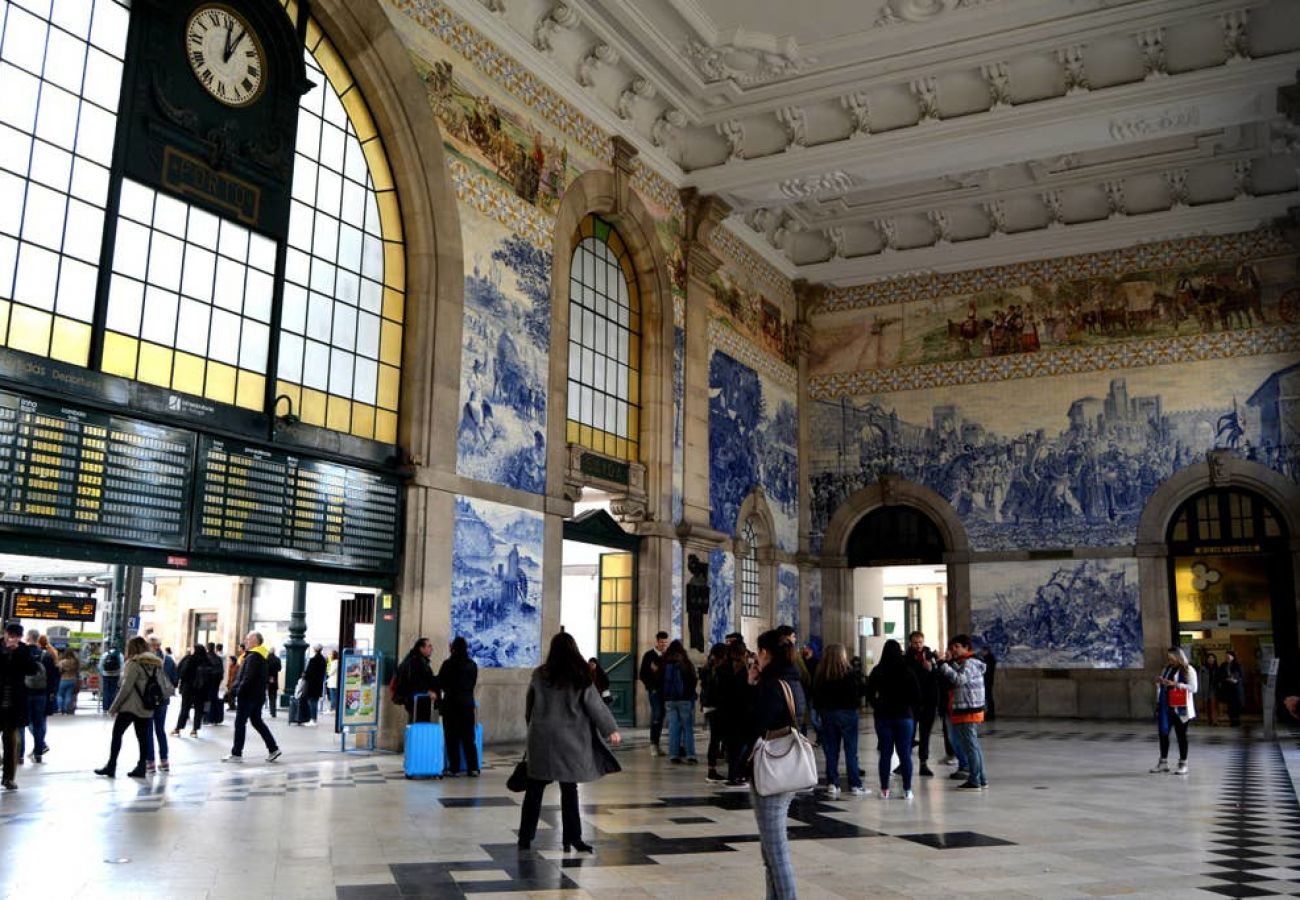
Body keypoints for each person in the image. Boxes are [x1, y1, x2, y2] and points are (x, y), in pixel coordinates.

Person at [517, 632, 622, 852]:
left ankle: (525, 838)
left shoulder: (540, 674)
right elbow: (595, 706)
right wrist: (611, 730)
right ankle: (572, 838)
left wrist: (534, 727)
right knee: (569, 788)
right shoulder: (581, 675)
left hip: (542, 738)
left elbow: (530, 707)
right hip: (571, 740)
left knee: (535, 789)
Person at [745, 629, 805, 899]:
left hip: (772, 772)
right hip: (783, 768)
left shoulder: (772, 685)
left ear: (766, 653)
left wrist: (751, 688)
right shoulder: (793, 681)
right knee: (770, 854)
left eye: (759, 652)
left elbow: (753, 724)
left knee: (777, 855)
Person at [95, 636, 172, 778]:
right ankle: (141, 767)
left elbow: (126, 687)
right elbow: (162, 685)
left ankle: (111, 765)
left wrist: (113, 707)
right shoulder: (157, 664)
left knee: (117, 734)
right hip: (146, 706)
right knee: (142, 738)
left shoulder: (134, 663)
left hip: (129, 707)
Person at [867, 639, 921, 799]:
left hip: (883, 716)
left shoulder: (878, 671)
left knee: (885, 754)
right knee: (905, 754)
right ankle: (907, 790)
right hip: (904, 716)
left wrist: (877, 705)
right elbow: (917, 695)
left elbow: (869, 693)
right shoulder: (907, 670)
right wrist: (909, 707)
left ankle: (885, 790)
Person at [814, 643, 866, 797]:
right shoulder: (850, 674)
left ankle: (832, 783)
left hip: (828, 715)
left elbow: (816, 695)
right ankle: (855, 784)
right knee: (851, 750)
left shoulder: (821, 674)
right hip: (848, 714)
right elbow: (859, 693)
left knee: (831, 751)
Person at [937, 634, 988, 791]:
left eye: (957, 647)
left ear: (966, 647)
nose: (954, 650)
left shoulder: (971, 662)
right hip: (966, 708)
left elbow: (959, 679)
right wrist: (948, 663)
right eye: (952, 648)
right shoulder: (966, 662)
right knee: (973, 746)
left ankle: (974, 780)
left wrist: (943, 665)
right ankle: (981, 778)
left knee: (971, 747)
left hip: (968, 710)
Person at [223, 632, 282, 763]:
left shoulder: (254, 657)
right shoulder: (260, 655)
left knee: (240, 723)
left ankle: (236, 754)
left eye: (248, 639)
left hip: (248, 695)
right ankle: (273, 749)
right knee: (257, 721)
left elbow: (247, 677)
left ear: (255, 641)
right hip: (257, 695)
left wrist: (237, 691)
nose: (246, 641)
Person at [1151, 646, 1198, 775]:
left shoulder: (1188, 670)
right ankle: (1163, 763)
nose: (1169, 660)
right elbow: (1162, 685)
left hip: (1180, 708)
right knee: (1163, 734)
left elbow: (1194, 688)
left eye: (1171, 657)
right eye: (1168, 657)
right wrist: (1160, 682)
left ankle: (1183, 764)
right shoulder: (1167, 668)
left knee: (1181, 735)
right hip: (1166, 707)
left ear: (1178, 656)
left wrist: (1176, 684)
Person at [1, 623, 37, 790]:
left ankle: (9, 777)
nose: (12, 638)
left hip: (13, 705)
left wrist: (18, 652)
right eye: (10, 635)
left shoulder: (23, 650)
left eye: (16, 636)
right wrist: (5, 653)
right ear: (5, 633)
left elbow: (32, 669)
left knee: (11, 742)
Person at [438, 636, 479, 775]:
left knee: (452, 738)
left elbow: (441, 682)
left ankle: (454, 768)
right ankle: (473, 768)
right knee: (469, 738)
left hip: (451, 705)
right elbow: (472, 683)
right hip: (467, 705)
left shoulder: (447, 664)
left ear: (453, 648)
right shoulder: (472, 664)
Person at [905, 631, 938, 778]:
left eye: (920, 642)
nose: (918, 645)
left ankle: (923, 763)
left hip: (929, 701)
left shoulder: (931, 657)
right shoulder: (906, 659)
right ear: (910, 643)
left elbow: (939, 677)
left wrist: (931, 669)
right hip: (912, 702)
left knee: (925, 734)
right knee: (908, 734)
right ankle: (904, 762)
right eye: (915, 642)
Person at [661, 639, 698, 764]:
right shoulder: (686, 663)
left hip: (669, 700)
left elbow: (659, 680)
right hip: (685, 699)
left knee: (673, 728)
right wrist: (690, 693)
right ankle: (690, 755)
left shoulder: (664, 662)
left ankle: (673, 755)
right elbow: (693, 679)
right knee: (687, 727)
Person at [145, 635, 176, 774]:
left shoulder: (145, 660)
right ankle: (165, 761)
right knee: (160, 730)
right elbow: (175, 679)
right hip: (163, 699)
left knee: (148, 730)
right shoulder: (168, 660)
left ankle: (150, 762)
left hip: (148, 699)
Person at [700, 643, 728, 782]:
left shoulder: (706, 668)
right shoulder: (720, 670)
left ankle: (712, 769)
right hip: (717, 707)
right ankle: (713, 771)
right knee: (718, 739)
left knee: (714, 740)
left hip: (709, 707)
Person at [22, 630, 50, 764]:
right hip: (41, 693)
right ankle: (38, 753)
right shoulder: (46, 655)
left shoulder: (22, 652)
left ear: (27, 637)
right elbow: (52, 676)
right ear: (38, 639)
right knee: (39, 723)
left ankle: (19, 755)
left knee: (21, 723)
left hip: (25, 692)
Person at [638, 631, 668, 756]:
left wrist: (658, 669)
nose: (663, 645)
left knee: (661, 717)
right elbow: (642, 674)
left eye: (665, 642)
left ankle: (657, 743)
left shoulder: (667, 655)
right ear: (656, 641)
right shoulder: (648, 655)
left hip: (665, 692)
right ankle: (653, 744)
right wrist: (651, 687)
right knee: (657, 715)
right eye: (661, 642)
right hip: (654, 691)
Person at [396, 638, 440, 722]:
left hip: (421, 701)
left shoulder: (420, 661)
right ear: (421, 648)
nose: (431, 649)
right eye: (429, 646)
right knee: (419, 725)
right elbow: (415, 680)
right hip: (419, 702)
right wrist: (428, 691)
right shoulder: (416, 661)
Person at [173, 644, 210, 736]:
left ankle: (178, 728)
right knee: (198, 710)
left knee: (185, 708)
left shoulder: (189, 658)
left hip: (188, 688)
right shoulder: (206, 660)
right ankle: (194, 730)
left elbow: (181, 671)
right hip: (201, 690)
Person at [302, 645, 327, 725]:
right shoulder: (323, 660)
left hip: (312, 684)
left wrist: (304, 675)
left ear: (314, 650)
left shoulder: (313, 660)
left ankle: (312, 719)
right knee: (315, 701)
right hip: (319, 683)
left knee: (311, 701)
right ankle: (314, 719)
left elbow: (308, 672)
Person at [1220, 649, 1244, 727]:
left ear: (1233, 657)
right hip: (1227, 688)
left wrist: (1236, 680)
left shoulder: (1237, 665)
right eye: (1226, 656)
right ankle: (1232, 721)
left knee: (1237, 705)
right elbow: (1220, 675)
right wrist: (1226, 679)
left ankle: (1237, 720)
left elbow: (1241, 676)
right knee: (1230, 706)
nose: (1227, 657)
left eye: (1229, 656)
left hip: (1236, 688)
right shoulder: (1223, 665)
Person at [98, 644, 123, 714]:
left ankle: (105, 708)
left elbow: (100, 666)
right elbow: (122, 666)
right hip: (115, 675)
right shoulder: (120, 655)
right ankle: (112, 708)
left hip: (106, 675)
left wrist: (102, 673)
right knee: (114, 691)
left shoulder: (105, 654)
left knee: (106, 691)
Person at [205, 643, 225, 725]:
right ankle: (214, 717)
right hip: (216, 682)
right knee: (214, 698)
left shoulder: (206, 657)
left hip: (208, 683)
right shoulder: (218, 658)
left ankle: (206, 717)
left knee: (207, 700)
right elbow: (221, 671)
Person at [56, 648, 79, 715]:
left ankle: (60, 708)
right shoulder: (75, 661)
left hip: (63, 679)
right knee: (68, 695)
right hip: (72, 680)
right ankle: (66, 709)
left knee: (60, 695)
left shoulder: (62, 662)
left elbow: (59, 671)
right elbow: (77, 670)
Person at [1203, 652, 1221, 726]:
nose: (1211, 659)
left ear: (1214, 659)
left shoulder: (1217, 668)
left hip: (1214, 688)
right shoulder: (1203, 668)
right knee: (1207, 705)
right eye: (1209, 658)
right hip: (1206, 688)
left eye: (1212, 658)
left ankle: (1215, 720)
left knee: (1213, 705)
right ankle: (1209, 720)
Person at [265, 646, 282, 718]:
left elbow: (265, 669)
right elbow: (279, 668)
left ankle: (271, 710)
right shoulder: (277, 659)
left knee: (268, 695)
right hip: (274, 679)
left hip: (267, 680)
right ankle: (273, 712)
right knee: (273, 696)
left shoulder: (266, 659)